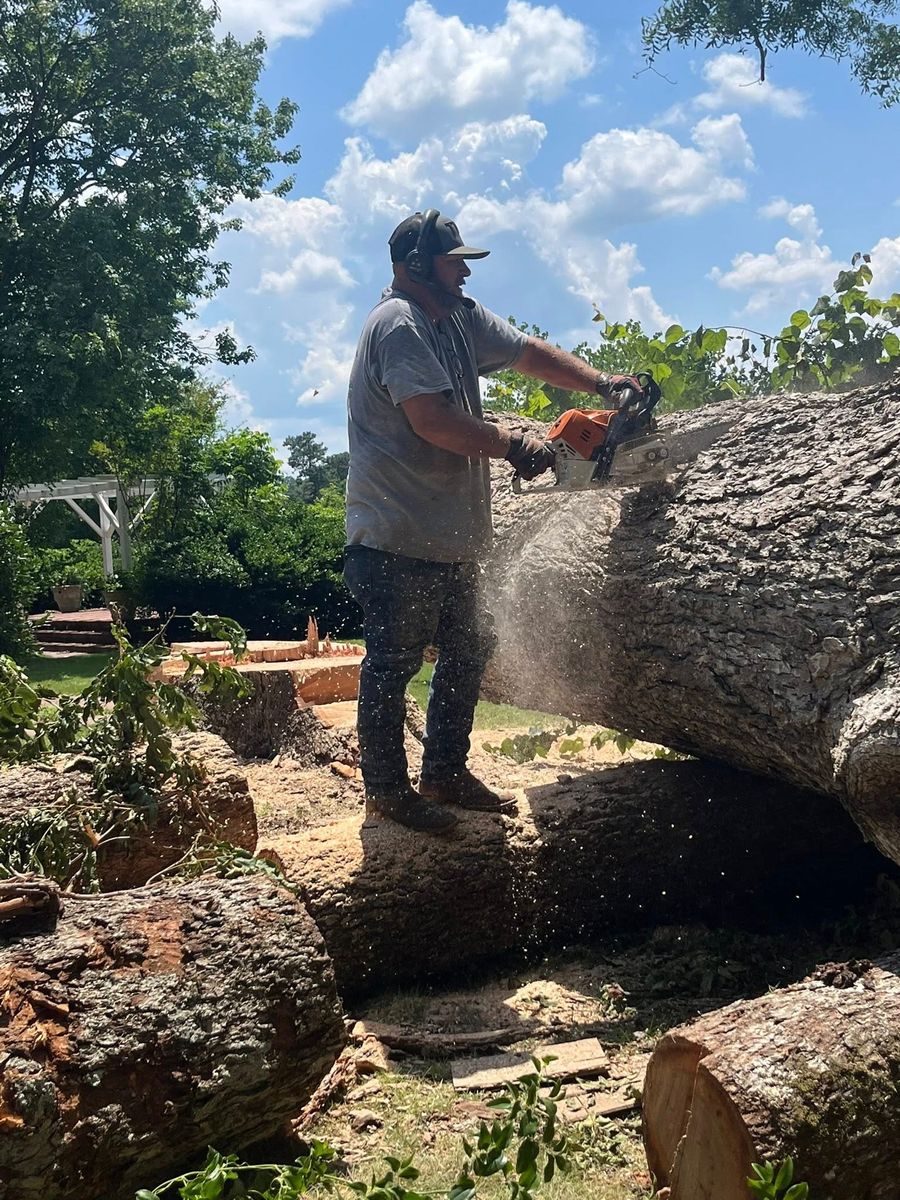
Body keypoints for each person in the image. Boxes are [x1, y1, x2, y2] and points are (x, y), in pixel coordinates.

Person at [343, 208, 641, 832]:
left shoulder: (458, 318)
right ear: (417, 265)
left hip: (451, 537)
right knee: (392, 663)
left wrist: (603, 384)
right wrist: (513, 444)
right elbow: (433, 420)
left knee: (469, 647)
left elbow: (528, 352)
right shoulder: (398, 326)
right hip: (397, 535)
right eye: (455, 262)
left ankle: (445, 770)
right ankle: (387, 794)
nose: (464, 272)